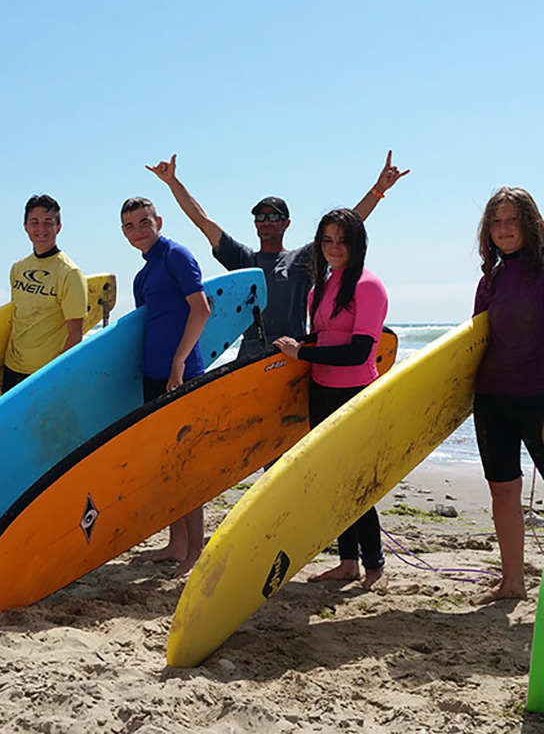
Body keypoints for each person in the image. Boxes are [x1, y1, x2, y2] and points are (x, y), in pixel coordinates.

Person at [146, 152, 407, 357]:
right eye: (261, 216)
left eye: (274, 216)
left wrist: (378, 190)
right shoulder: (244, 261)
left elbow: (348, 224)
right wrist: (172, 182)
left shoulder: (302, 260)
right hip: (248, 359)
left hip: (291, 355)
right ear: (255, 223)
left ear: (286, 223)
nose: (267, 221)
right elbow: (202, 221)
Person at [275, 208, 388, 591]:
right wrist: (296, 346)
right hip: (320, 390)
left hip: (354, 393)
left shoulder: (368, 287)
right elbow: (322, 338)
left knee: (354, 479)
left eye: (342, 241)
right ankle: (347, 561)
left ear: (358, 245)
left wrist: (301, 354)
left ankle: (373, 564)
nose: (334, 248)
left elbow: (359, 352)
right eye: (327, 240)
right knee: (330, 479)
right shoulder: (319, 288)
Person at [121, 195, 211, 576]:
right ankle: (176, 545)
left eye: (144, 222)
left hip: (182, 375)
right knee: (166, 468)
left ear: (159, 220)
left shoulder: (176, 254)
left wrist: (178, 363)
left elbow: (202, 308)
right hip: (154, 376)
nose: (138, 231)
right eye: (129, 226)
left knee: (186, 467)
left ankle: (194, 551)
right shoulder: (142, 275)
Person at [472, 187, 544, 603]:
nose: (503, 229)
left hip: (539, 397)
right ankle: (512, 582)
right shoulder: (491, 280)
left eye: (511, 221)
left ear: (529, 225)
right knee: (503, 489)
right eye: (496, 222)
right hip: (493, 399)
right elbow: (476, 342)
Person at [2, 195, 88, 394]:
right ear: (25, 227)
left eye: (48, 222)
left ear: (58, 227)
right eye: (35, 222)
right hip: (11, 366)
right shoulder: (18, 268)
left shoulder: (70, 273)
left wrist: (58, 375)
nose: (41, 229)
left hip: (44, 373)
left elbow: (75, 334)